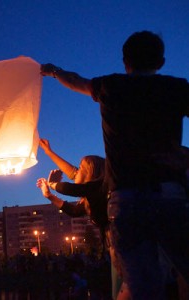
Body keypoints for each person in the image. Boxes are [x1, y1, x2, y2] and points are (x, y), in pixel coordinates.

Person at [40, 30, 189, 299]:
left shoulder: (112, 87)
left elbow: (75, 81)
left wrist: (53, 71)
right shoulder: (176, 88)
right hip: (170, 196)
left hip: (127, 202)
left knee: (141, 287)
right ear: (162, 62)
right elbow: (77, 178)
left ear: (125, 61)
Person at [36, 138, 122, 299]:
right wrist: (49, 195)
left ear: (92, 174)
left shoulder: (99, 187)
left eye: (82, 168)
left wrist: (53, 184)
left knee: (128, 288)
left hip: (126, 243)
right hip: (115, 245)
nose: (76, 171)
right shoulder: (92, 196)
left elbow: (71, 187)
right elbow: (74, 210)